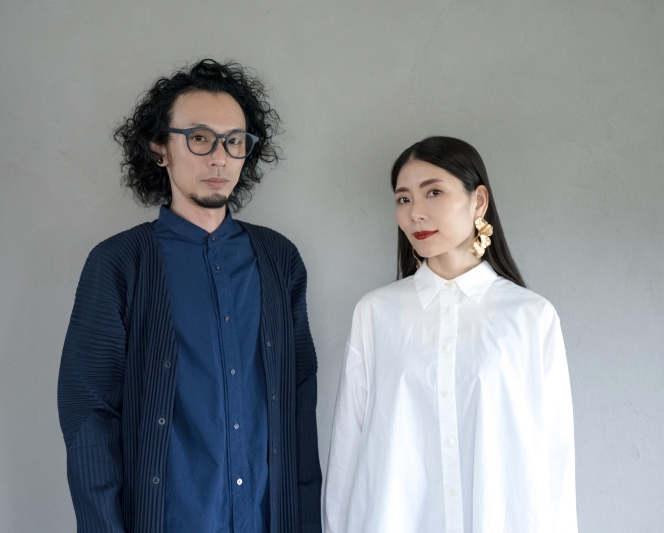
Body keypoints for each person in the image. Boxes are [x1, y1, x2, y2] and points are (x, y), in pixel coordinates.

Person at [58, 59, 322, 533]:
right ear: (160, 148)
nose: (219, 158)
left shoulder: (279, 259)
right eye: (199, 138)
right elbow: (89, 416)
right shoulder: (119, 263)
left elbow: (299, 402)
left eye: (234, 141)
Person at [323, 136, 577, 533]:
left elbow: (555, 457)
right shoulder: (375, 314)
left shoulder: (531, 317)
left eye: (433, 192)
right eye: (403, 199)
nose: (415, 213)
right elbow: (347, 450)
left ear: (478, 201)